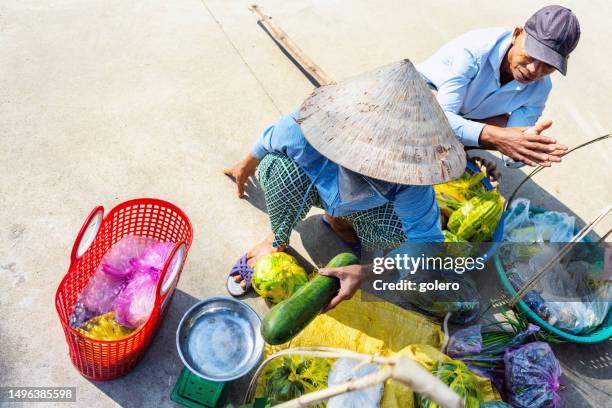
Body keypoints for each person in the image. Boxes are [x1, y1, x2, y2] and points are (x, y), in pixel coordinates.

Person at [223, 60, 465, 310]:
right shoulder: (310, 128)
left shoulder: (411, 174)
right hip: (313, 188)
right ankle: (275, 239)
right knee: (278, 169)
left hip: (362, 207)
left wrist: (368, 271)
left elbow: (426, 239)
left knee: (401, 236)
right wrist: (246, 163)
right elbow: (271, 139)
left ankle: (339, 222)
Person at [417, 4, 580, 168]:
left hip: (461, 114)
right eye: (531, 55)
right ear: (516, 34)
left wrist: (530, 147)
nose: (534, 70)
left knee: (509, 130)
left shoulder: (540, 88)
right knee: (433, 106)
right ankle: (449, 146)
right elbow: (440, 120)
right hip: (422, 95)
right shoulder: (475, 49)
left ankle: (455, 145)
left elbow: (514, 149)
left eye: (548, 66)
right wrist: (496, 136)